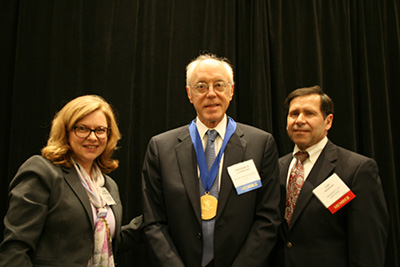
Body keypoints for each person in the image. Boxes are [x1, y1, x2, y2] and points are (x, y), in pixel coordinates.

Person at [141, 53, 280, 267]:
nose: (211, 94)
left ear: (231, 91)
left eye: (219, 85)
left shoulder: (260, 144)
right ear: (189, 94)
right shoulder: (161, 148)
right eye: (201, 86)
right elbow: (154, 222)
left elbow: (267, 218)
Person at [0, 95, 142, 266]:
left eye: (100, 130)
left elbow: (108, 241)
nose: (92, 137)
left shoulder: (108, 185)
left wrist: (157, 214)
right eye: (82, 128)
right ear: (65, 131)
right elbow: (15, 248)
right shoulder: (43, 172)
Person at [271, 85, 389, 266]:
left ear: (328, 121)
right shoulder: (276, 168)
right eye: (294, 114)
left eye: (309, 113)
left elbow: (368, 245)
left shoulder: (357, 170)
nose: (299, 120)